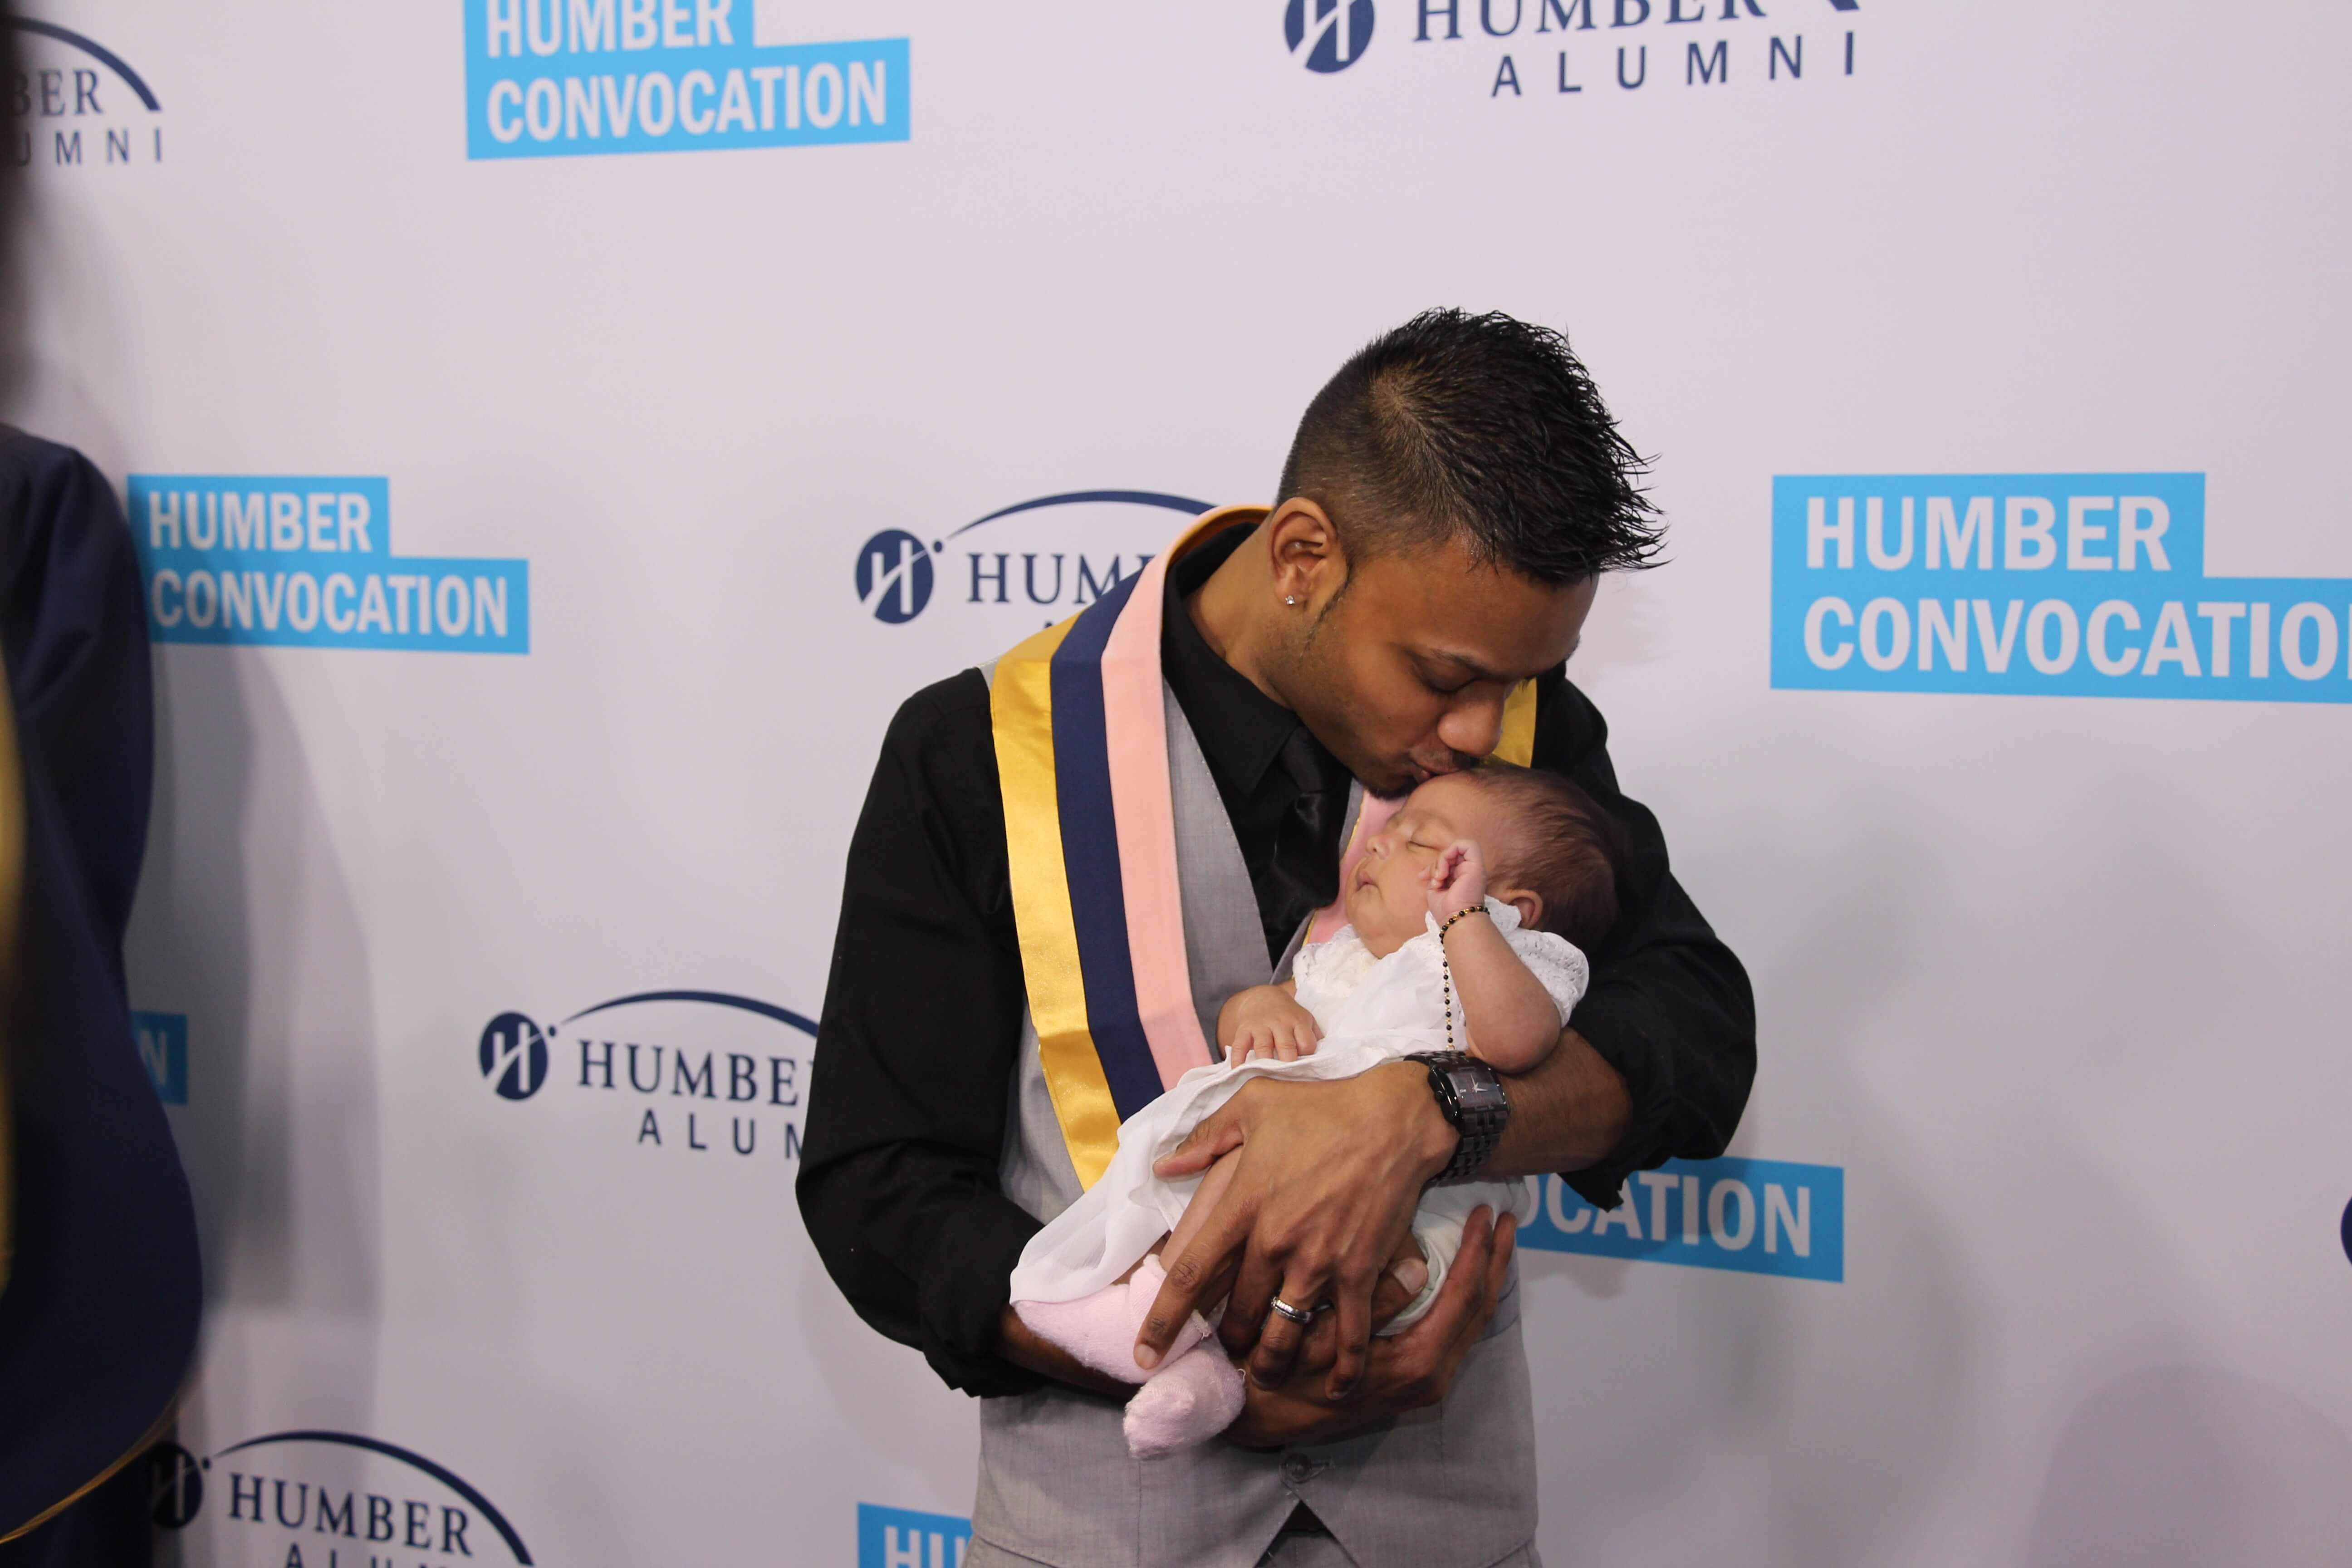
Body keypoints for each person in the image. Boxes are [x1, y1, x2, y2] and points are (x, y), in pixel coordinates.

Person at [800, 309, 1755, 1567]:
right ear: (1304, 554)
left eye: (1516, 684)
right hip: (1108, 1519)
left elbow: (1694, 1033)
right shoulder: (977, 753)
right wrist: (1149, 1347)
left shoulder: (1520, 733)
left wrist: (1434, 1111)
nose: (1478, 732)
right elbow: (878, 1187)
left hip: (1444, 1522)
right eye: (1442, 673)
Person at [1010, 764, 1621, 1459]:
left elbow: (1516, 1042)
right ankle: (1202, 1371)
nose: (1382, 847)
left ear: (1515, 905)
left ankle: (1145, 1316)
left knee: (1269, 1201)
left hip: (1417, 1222)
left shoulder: (1513, 959)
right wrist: (1259, 1007)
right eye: (1389, 832)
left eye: (1424, 844)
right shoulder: (1344, 957)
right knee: (1218, 1179)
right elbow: (1266, 1011)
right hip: (1286, 1188)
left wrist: (1466, 922)